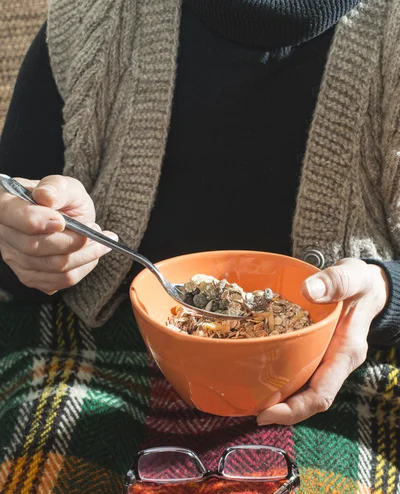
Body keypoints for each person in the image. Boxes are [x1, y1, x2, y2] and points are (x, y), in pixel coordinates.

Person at [0, 0, 399, 427]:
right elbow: (15, 265)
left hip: (350, 373)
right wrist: (30, 239)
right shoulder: (85, 23)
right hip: (91, 358)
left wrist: (388, 291)